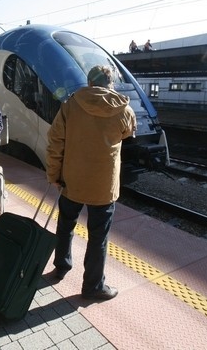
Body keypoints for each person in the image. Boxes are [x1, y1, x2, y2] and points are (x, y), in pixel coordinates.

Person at [46, 65, 137, 300]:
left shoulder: (70, 105)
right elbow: (128, 134)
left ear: (89, 82)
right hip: (103, 186)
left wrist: (53, 175)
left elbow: (55, 141)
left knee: (65, 225)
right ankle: (93, 286)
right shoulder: (124, 110)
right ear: (110, 84)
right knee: (98, 237)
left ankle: (61, 266)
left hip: (71, 181)